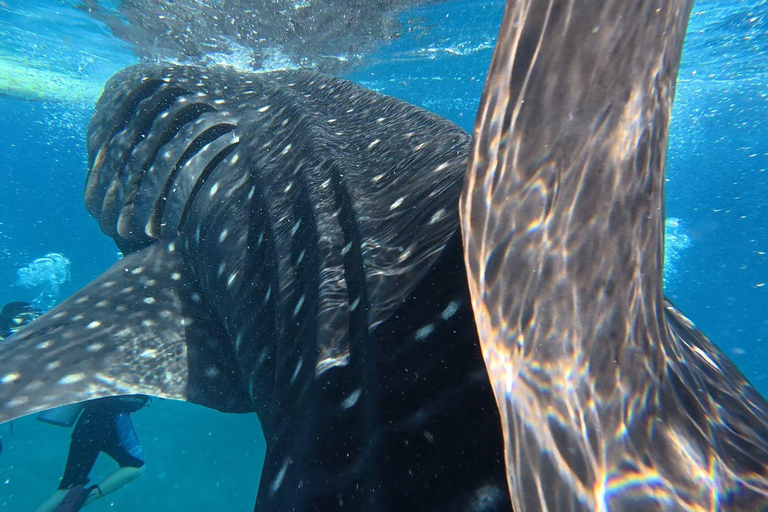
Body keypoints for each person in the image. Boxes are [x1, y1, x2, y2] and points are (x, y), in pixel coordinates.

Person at [36, 395, 150, 512]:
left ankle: (70, 502)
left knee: (67, 489)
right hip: (109, 422)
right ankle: (85, 498)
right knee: (136, 466)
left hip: (85, 424)